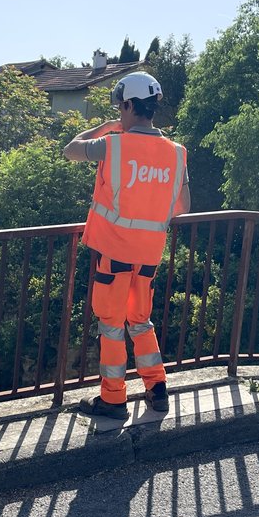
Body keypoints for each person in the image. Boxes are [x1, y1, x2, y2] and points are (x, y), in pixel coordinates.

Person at [62, 72, 190, 420]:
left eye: (120, 107)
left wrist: (104, 128)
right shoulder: (177, 154)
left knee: (112, 325)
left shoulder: (114, 144)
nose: (119, 113)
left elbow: (70, 149)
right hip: (149, 256)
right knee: (140, 320)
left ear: (130, 105)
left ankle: (114, 400)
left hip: (115, 254)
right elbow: (182, 208)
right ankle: (156, 388)